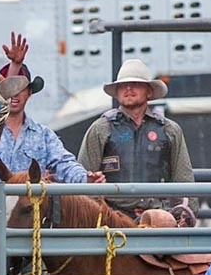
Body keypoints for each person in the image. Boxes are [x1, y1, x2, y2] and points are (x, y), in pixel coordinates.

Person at [78, 58, 197, 221]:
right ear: (117, 92)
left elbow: (183, 180)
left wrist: (184, 218)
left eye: (136, 84)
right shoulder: (100, 129)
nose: (128, 88)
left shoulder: (170, 130)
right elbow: (83, 179)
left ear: (149, 91)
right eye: (123, 85)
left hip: (158, 216)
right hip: (112, 218)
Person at [0, 35, 105, 185]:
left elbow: (64, 163)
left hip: (27, 207)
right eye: (8, 88)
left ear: (30, 93)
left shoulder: (43, 136)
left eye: (21, 88)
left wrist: (84, 178)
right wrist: (15, 65)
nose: (14, 93)